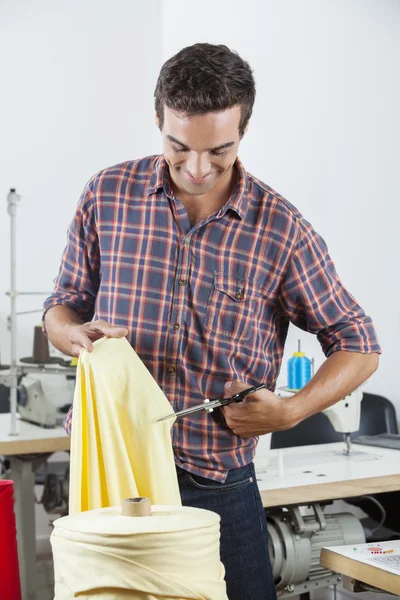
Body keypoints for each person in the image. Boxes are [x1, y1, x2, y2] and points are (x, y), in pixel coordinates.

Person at [43, 43, 380, 600]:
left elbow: (359, 344)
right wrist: (68, 333)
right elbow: (64, 305)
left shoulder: (281, 229)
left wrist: (292, 410)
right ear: (159, 119)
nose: (197, 169)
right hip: (107, 471)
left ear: (244, 130)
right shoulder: (105, 195)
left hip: (216, 486)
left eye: (218, 151)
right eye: (179, 147)